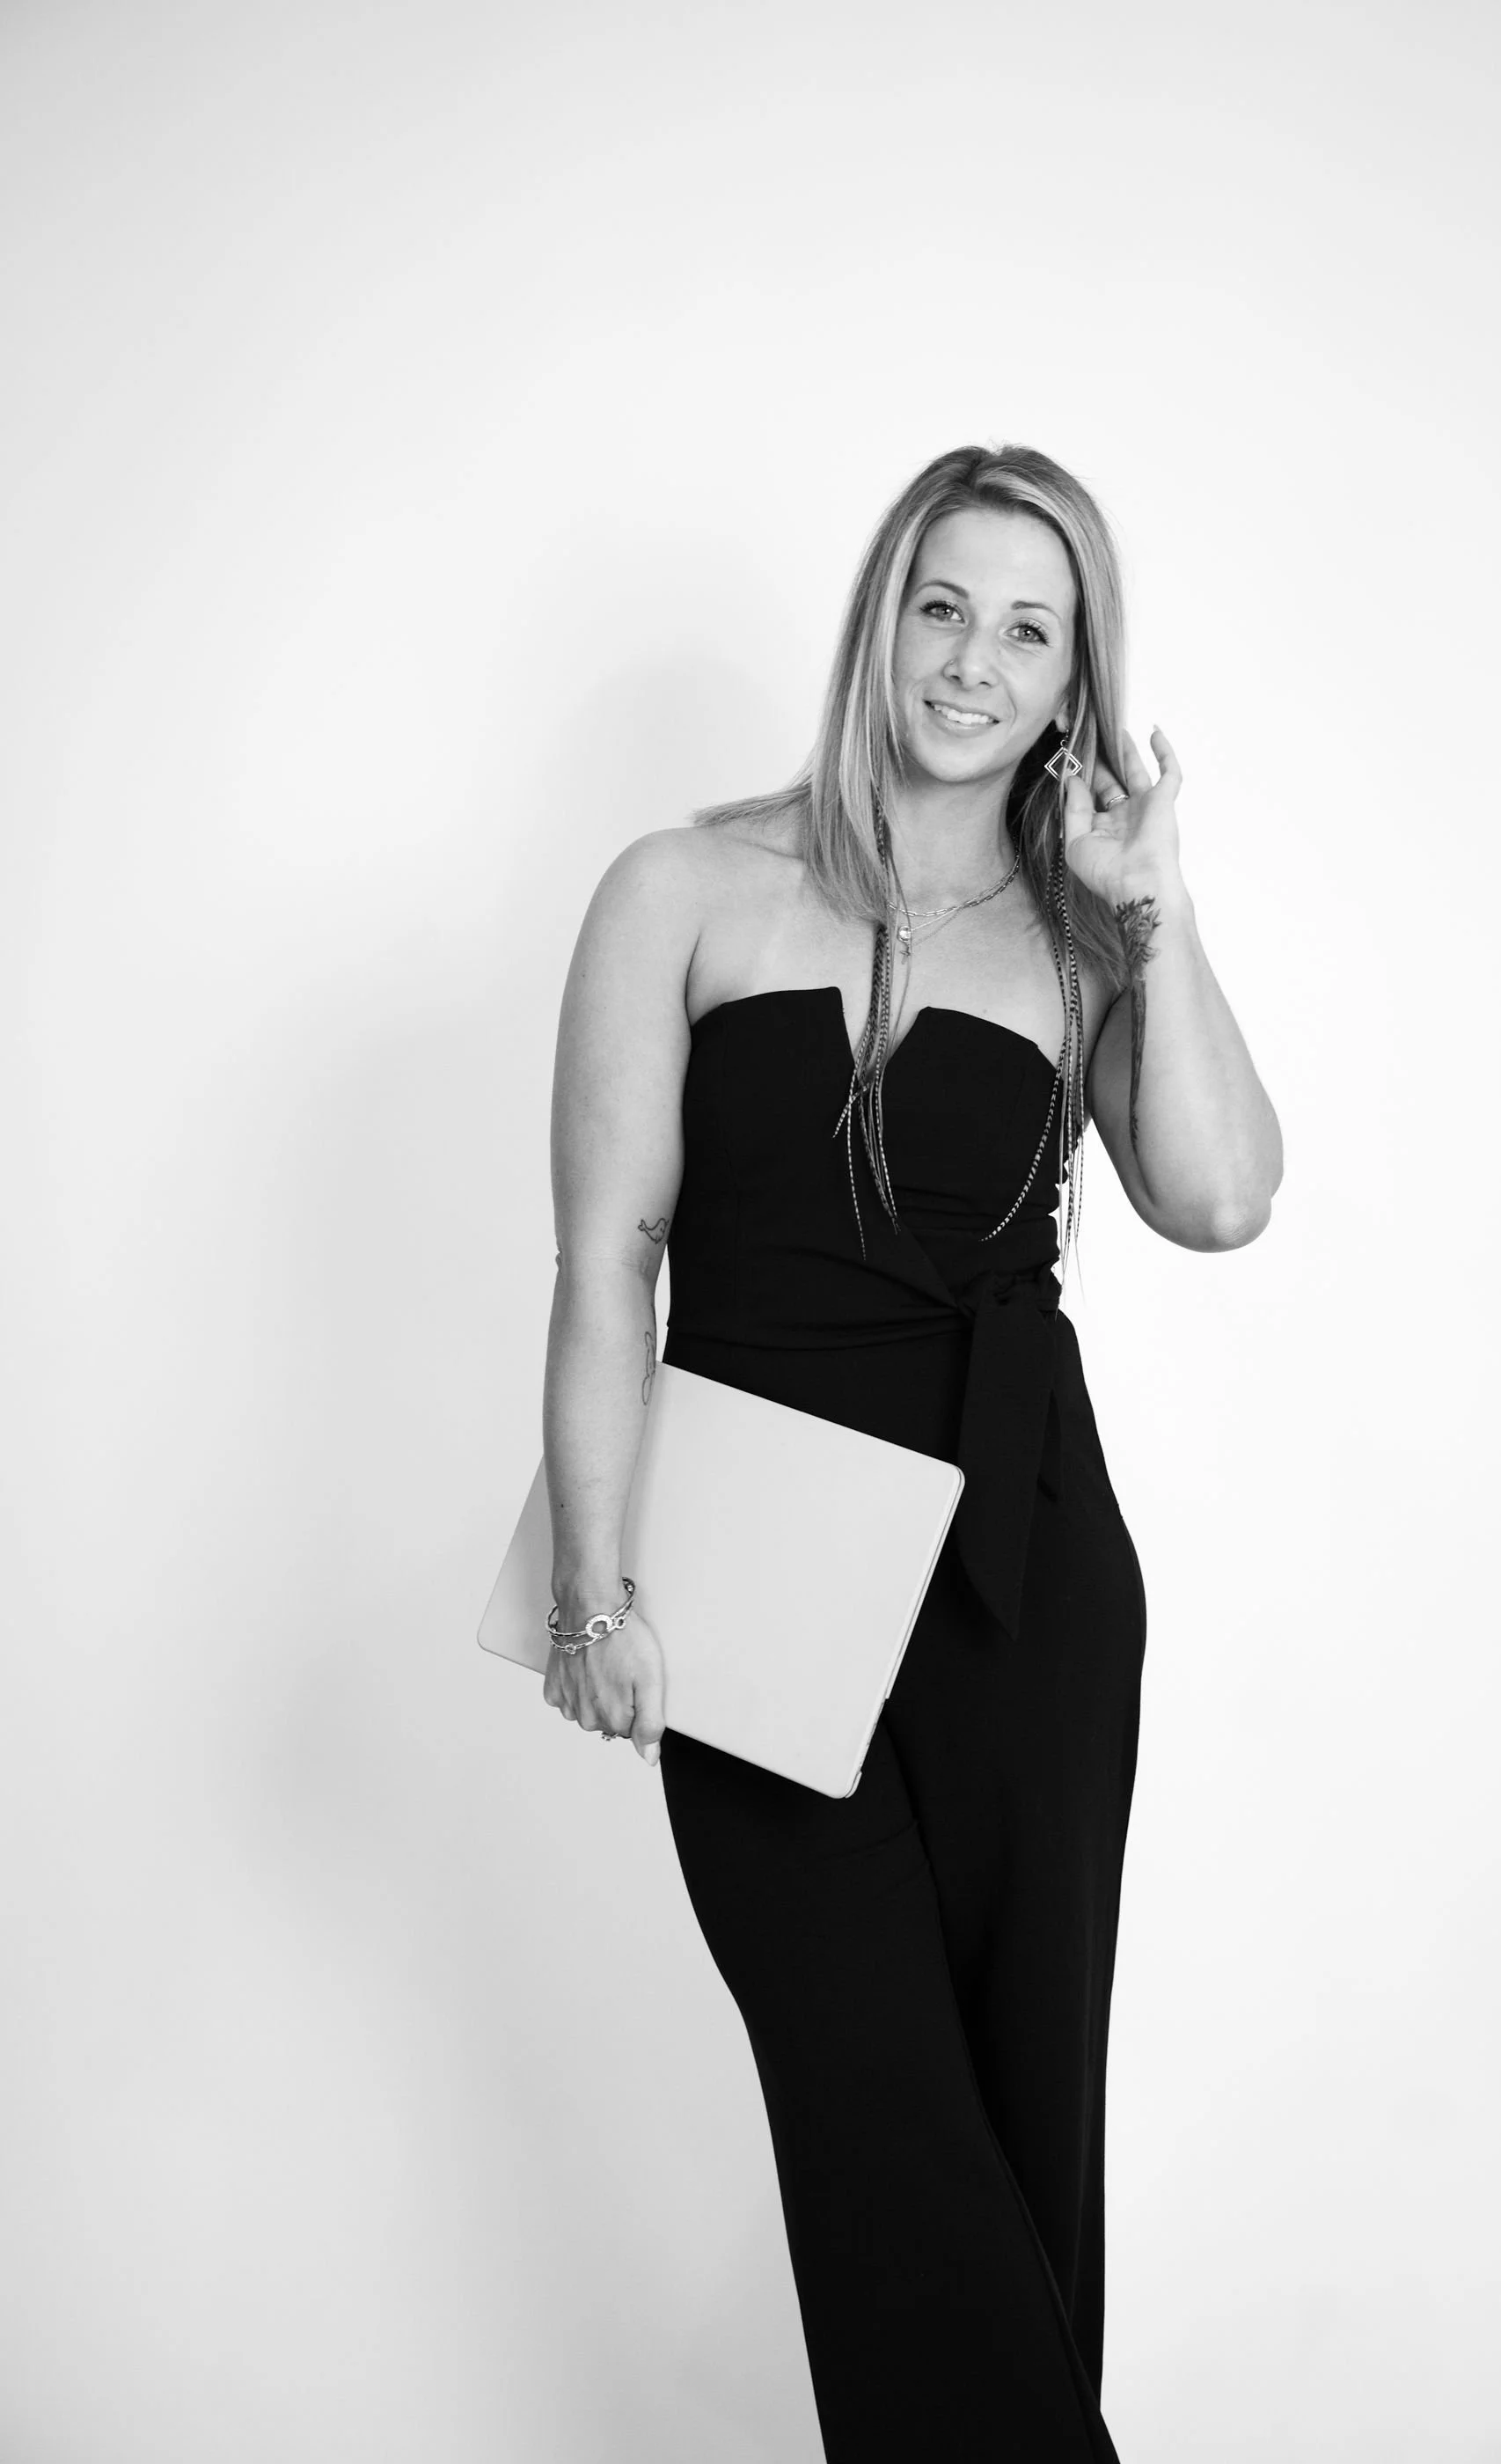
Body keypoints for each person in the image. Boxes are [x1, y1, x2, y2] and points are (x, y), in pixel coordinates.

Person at [539, 442, 1284, 2461]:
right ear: (885, 614)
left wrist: (1161, 914)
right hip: (757, 1597)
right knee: (880, 2137)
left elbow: (1219, 1197)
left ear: (1075, 684)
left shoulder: (1078, 931)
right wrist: (598, 1589)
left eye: (1031, 629)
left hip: (1024, 1576)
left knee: (1024, 2136)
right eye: (945, 604)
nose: (976, 658)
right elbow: (608, 1258)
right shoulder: (684, 889)